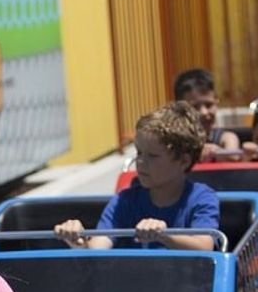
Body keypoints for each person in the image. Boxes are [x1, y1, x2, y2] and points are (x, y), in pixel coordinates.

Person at [54, 102, 220, 251]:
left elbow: (204, 246)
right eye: (139, 152)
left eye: (152, 156)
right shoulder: (124, 201)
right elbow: (97, 250)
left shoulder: (202, 198)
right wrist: (78, 242)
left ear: (183, 161)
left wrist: (164, 236)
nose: (140, 161)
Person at [173, 68, 240, 160]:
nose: (204, 112)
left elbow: (233, 159)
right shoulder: (173, 143)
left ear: (216, 102)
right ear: (180, 109)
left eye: (209, 105)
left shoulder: (226, 138)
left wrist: (219, 153)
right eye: (195, 107)